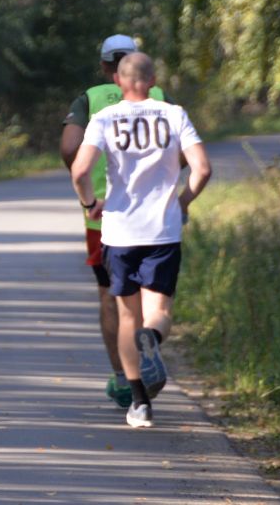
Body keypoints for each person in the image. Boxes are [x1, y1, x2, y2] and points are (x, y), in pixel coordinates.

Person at [70, 52, 211, 429]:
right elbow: (202, 168)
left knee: (126, 318)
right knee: (158, 313)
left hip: (119, 231)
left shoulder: (104, 118)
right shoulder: (174, 114)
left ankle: (139, 404)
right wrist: (183, 201)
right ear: (152, 79)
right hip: (162, 230)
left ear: (118, 80)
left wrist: (89, 204)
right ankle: (152, 338)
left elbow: (80, 169)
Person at [59, 34, 167, 410]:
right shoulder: (160, 97)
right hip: (155, 215)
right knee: (153, 294)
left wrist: (88, 192)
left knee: (111, 297)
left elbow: (70, 149)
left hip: (103, 218)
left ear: (105, 66)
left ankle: (125, 380)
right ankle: (149, 339)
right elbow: (184, 153)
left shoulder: (89, 99)